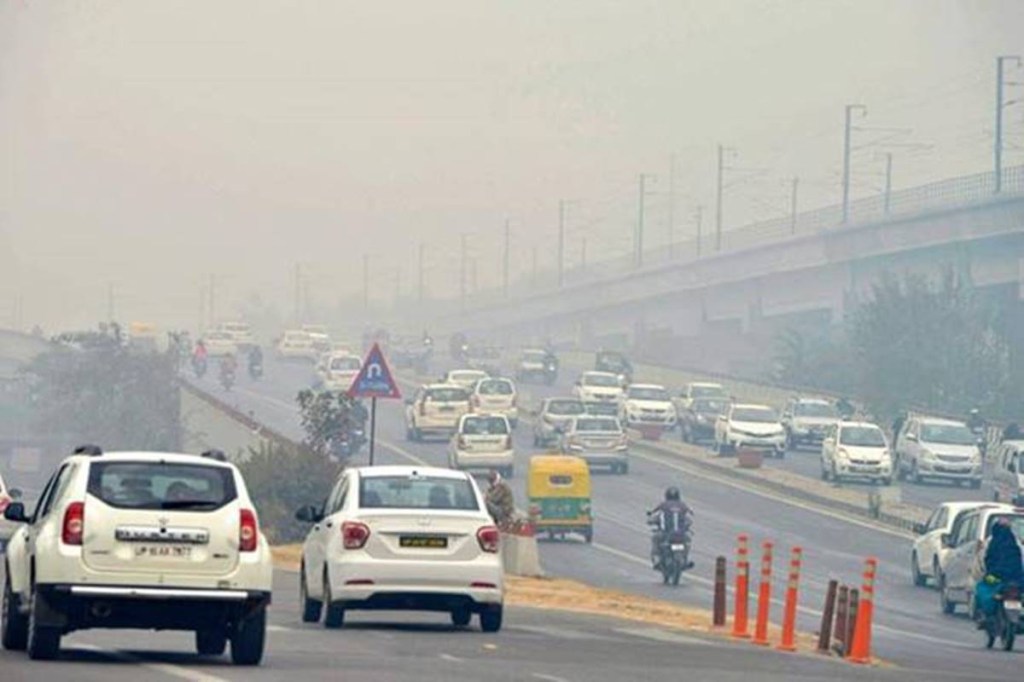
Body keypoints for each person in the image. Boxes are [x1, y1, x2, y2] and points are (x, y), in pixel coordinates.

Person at [972, 519, 1024, 627]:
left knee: (982, 586)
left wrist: (985, 574)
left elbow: (983, 561)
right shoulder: (1017, 543)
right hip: (1017, 579)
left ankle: (984, 615)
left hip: (995, 578)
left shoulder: (990, 543)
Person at [648, 487, 693, 569]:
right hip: (681, 534)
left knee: (655, 539)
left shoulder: (663, 505)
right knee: (688, 540)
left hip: (665, 533)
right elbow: (689, 519)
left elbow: (653, 515)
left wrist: (650, 520)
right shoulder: (682, 505)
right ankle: (687, 559)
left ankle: (657, 559)